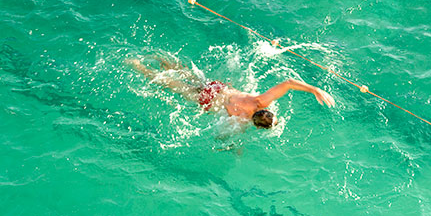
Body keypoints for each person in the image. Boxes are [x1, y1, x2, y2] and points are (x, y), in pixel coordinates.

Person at [127, 56, 334, 129]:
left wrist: (314, 89)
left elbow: (288, 83)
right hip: (207, 101)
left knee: (190, 75)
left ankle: (162, 61)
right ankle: (139, 67)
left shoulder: (259, 100)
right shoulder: (241, 121)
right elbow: (224, 138)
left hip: (218, 88)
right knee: (172, 86)